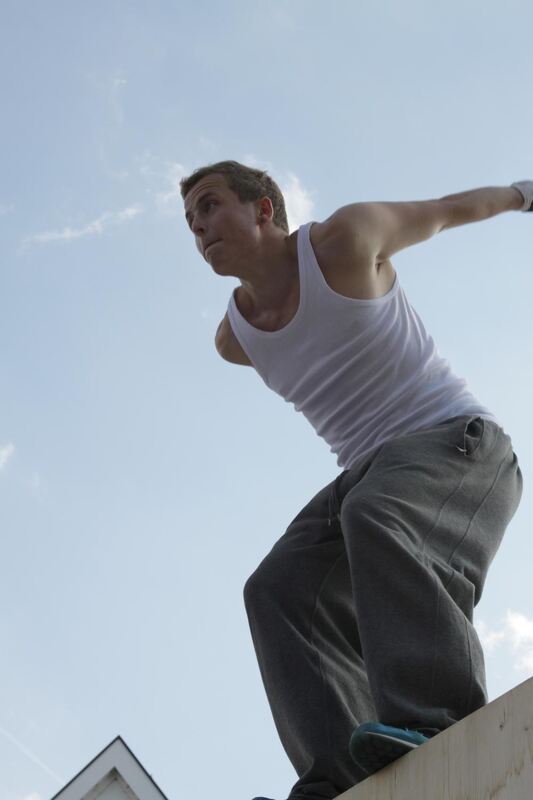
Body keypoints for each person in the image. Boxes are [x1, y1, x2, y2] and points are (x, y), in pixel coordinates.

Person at [181, 162, 530, 800]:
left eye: (209, 207)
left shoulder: (344, 240)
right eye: (190, 222)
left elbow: (449, 207)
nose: (199, 228)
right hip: (366, 473)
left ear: (263, 209)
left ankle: (437, 717)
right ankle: (339, 777)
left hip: (459, 445)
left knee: (376, 514)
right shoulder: (235, 338)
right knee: (277, 587)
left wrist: (523, 195)